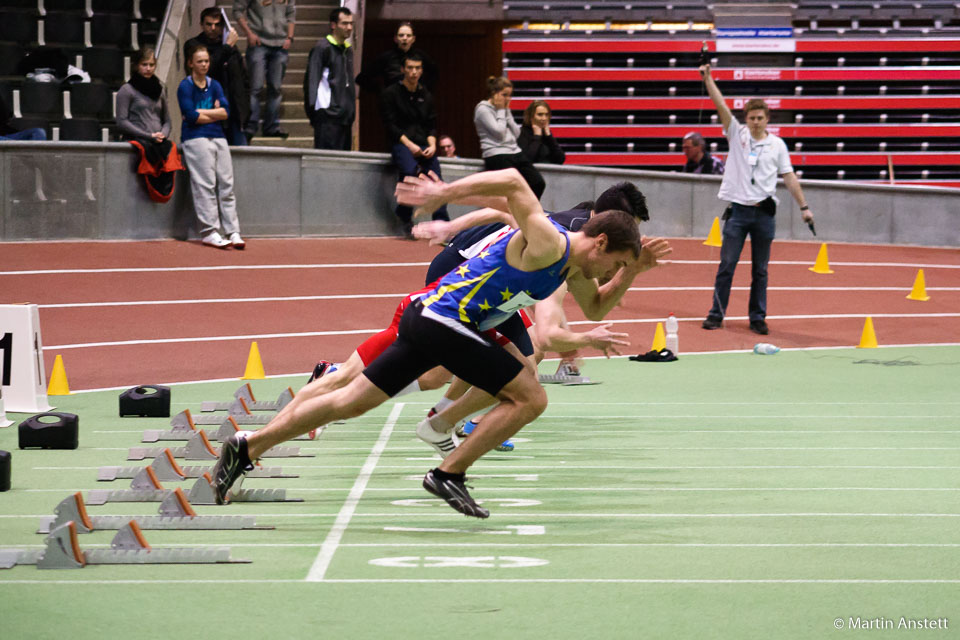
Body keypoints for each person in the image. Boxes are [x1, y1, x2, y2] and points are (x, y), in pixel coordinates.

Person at [212, 169, 667, 518]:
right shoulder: (550, 243)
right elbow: (511, 182)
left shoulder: (573, 269)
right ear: (601, 241)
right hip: (442, 317)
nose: (610, 274)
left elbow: (597, 309)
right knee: (530, 393)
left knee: (350, 402)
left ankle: (248, 447)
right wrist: (440, 196)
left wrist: (634, 270)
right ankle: (447, 472)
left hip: (434, 319)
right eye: (616, 263)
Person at [698, 64, 814, 335]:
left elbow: (789, 177)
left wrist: (804, 207)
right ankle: (716, 314)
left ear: (767, 119)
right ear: (746, 119)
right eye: (751, 117)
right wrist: (708, 79)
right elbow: (721, 106)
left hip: (764, 214)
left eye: (760, 117)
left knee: (760, 270)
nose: (756, 121)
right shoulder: (736, 134)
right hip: (738, 212)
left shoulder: (777, 146)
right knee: (727, 265)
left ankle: (757, 317)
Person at [178, 43, 244, 249]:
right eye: (200, 61)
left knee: (226, 184)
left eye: (206, 61)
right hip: (195, 138)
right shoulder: (185, 86)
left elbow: (226, 112)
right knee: (205, 184)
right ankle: (210, 231)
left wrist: (203, 113)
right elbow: (191, 116)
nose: (204, 65)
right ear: (191, 63)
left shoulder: (215, 85)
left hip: (218, 137)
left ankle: (232, 230)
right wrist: (210, 114)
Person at [380, 52, 448, 234]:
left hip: (425, 144)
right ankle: (404, 215)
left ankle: (442, 224)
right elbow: (390, 125)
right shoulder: (391, 94)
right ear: (403, 69)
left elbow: (431, 125)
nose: (413, 72)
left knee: (437, 180)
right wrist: (410, 145)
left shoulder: (426, 95)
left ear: (422, 71)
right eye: (410, 68)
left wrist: (433, 145)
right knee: (410, 173)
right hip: (401, 143)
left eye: (417, 68)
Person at [117, 47, 182, 203]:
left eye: (151, 65)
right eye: (144, 64)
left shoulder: (159, 90)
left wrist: (162, 135)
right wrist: (149, 136)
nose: (148, 68)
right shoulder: (127, 90)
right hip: (140, 141)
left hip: (158, 140)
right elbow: (121, 121)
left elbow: (167, 120)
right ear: (136, 66)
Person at [184, 7, 250, 146]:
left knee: (240, 155)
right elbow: (205, 71)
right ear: (202, 25)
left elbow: (243, 78)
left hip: (233, 109)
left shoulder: (230, 48)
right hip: (208, 110)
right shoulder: (194, 45)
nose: (213, 28)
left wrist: (246, 107)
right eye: (209, 24)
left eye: (217, 24)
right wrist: (227, 47)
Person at [474, 76, 546, 199]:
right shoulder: (482, 109)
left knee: (538, 182)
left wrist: (506, 112)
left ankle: (525, 212)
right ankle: (511, 214)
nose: (508, 99)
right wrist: (502, 110)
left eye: (510, 95)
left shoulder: (505, 109)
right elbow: (499, 133)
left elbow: (517, 133)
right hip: (496, 154)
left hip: (514, 152)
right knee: (510, 189)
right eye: (504, 95)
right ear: (494, 94)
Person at [234, 0, 295, 140]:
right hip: (258, 43)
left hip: (281, 45)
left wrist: (289, 37)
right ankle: (251, 125)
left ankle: (272, 126)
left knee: (276, 87)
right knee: (255, 87)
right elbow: (237, 10)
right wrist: (249, 33)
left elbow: (291, 12)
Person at [303, 7, 355, 150]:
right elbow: (311, 82)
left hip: (345, 118)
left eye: (351, 23)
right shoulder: (322, 48)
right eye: (344, 23)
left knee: (343, 164)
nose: (349, 27)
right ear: (333, 25)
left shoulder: (348, 50)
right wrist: (314, 112)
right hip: (327, 117)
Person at [356, 21, 438, 94]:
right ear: (395, 39)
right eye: (401, 35)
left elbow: (434, 73)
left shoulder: (421, 56)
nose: (405, 38)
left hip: (414, 103)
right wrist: (382, 92)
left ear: (413, 39)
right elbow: (361, 78)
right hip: (393, 104)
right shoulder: (386, 57)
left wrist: (424, 90)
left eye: (408, 36)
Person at [518, 100, 565, 165]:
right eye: (540, 115)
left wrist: (549, 136)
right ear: (531, 117)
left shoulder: (547, 135)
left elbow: (560, 159)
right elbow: (526, 160)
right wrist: (537, 136)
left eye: (546, 115)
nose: (544, 118)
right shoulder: (521, 133)